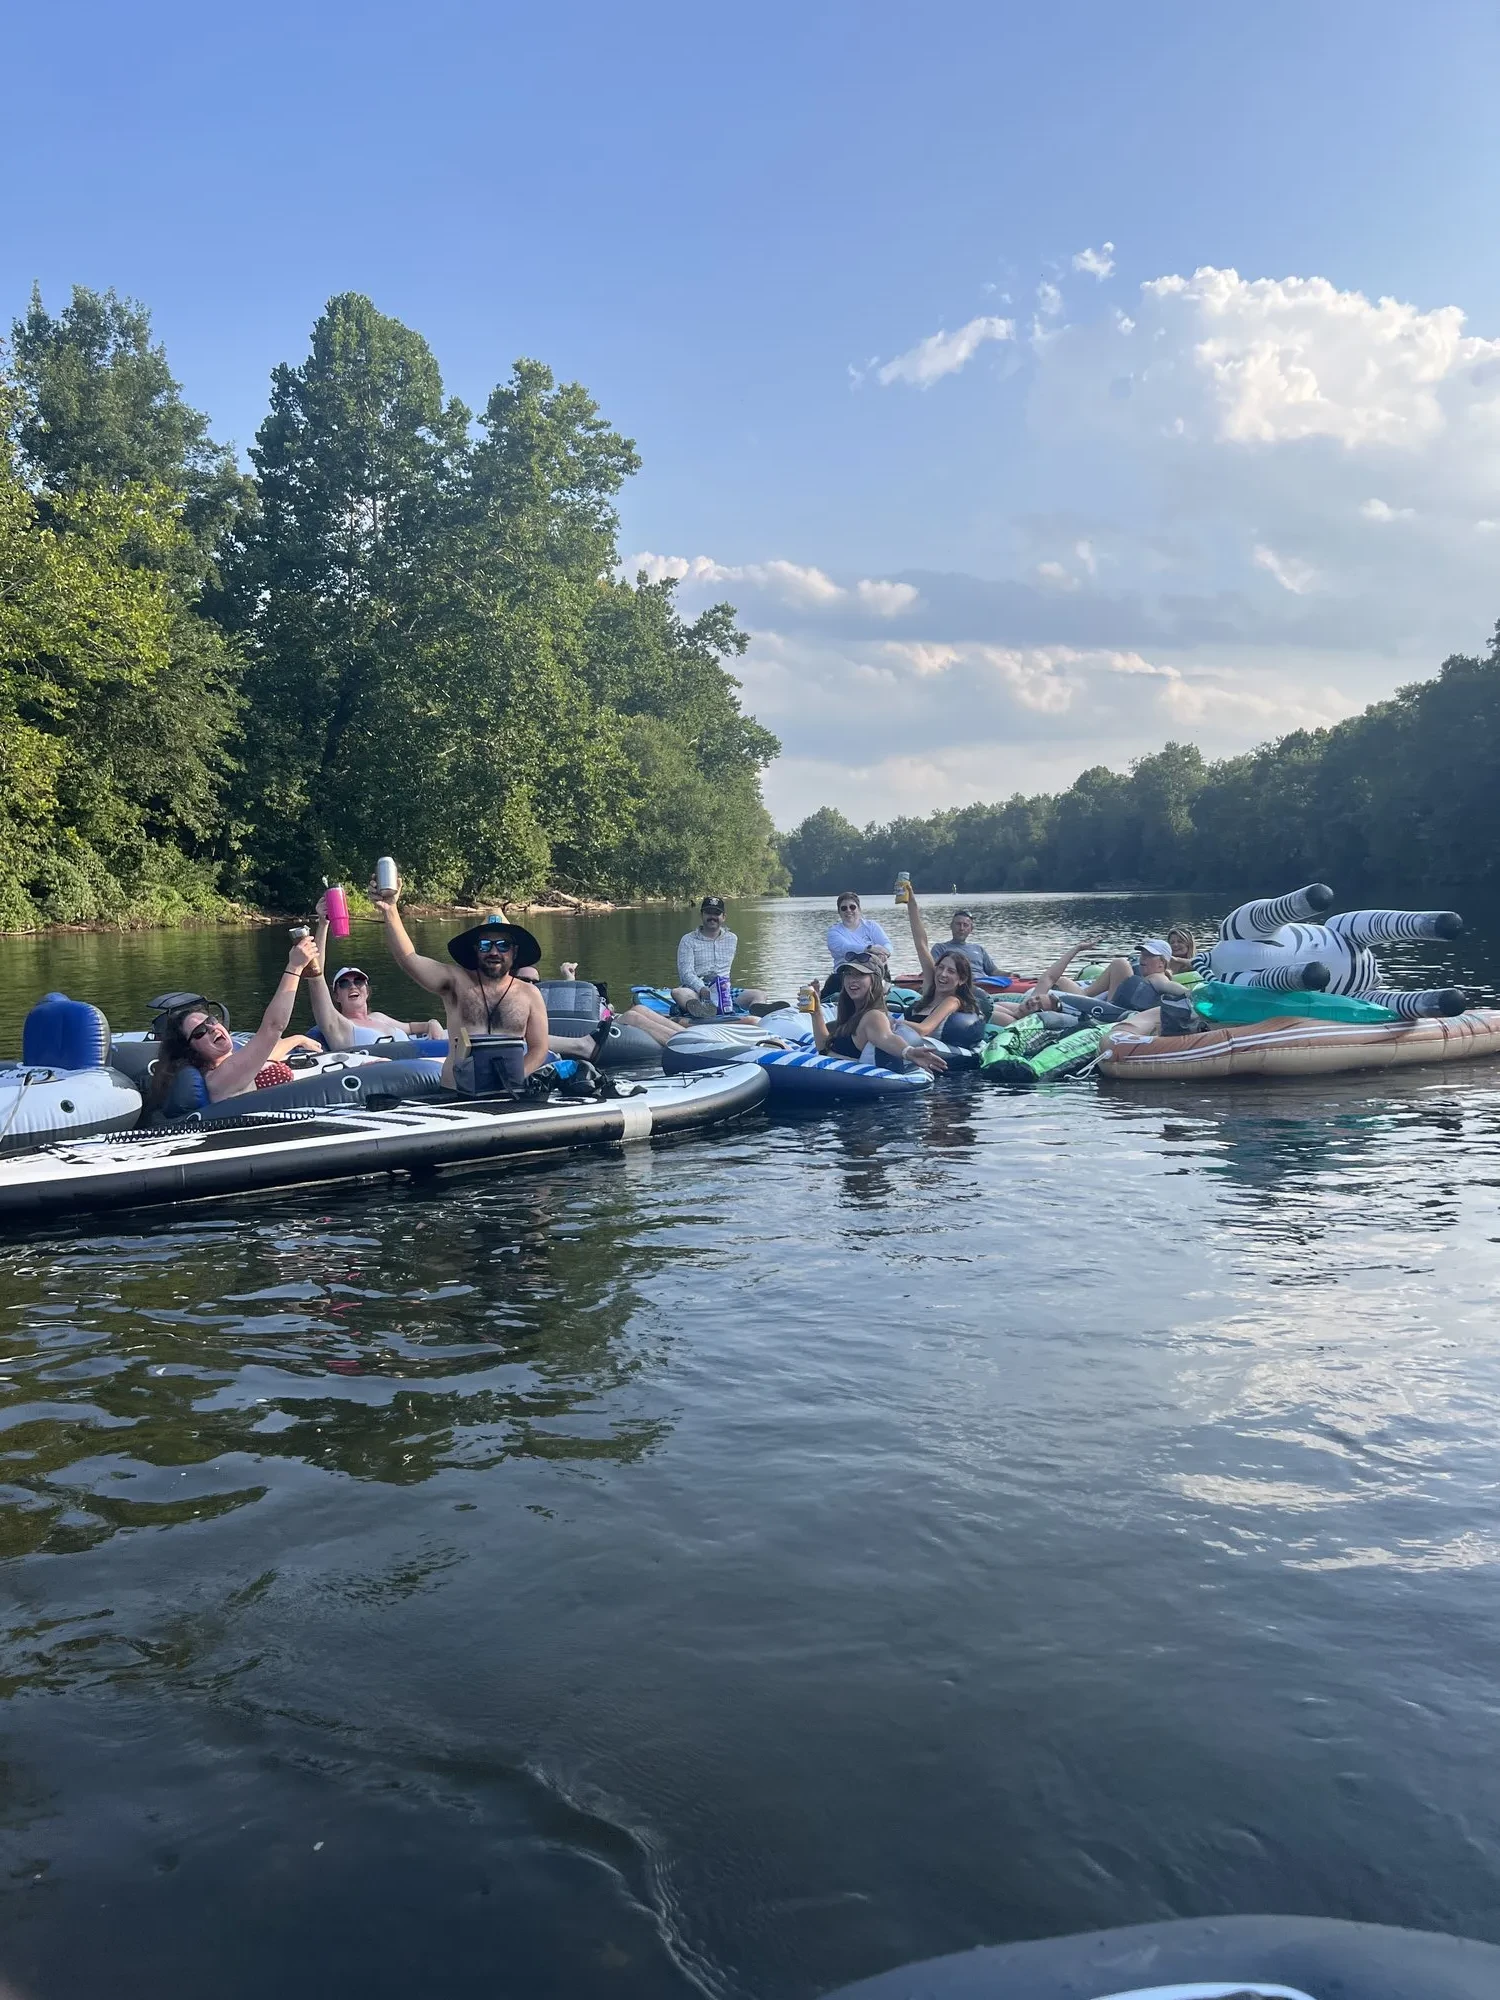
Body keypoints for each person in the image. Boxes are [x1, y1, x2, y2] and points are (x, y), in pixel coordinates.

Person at [369, 866, 550, 1082]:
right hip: (456, 1093)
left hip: (509, 1093)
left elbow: (539, 1048)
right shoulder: (455, 982)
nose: (494, 952)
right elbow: (409, 958)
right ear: (475, 950)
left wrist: (514, 1078)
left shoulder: (530, 994)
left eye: (502, 945)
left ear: (514, 951)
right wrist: (390, 910)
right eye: (485, 945)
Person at [147, 935, 323, 1109]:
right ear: (190, 1050)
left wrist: (297, 1039)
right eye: (200, 1031)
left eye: (211, 1020)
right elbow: (273, 1027)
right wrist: (294, 968)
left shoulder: (233, 1062)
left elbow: (267, 1053)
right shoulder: (220, 1078)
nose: (212, 1028)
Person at [308, 895, 445, 1048]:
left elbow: (412, 1028)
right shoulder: (338, 1025)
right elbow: (316, 976)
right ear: (336, 996)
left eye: (358, 981)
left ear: (367, 991)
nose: (353, 986)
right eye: (344, 984)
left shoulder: (379, 1018)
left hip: (412, 1065)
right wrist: (323, 923)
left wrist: (432, 1023)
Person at [805, 954, 946, 1073]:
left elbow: (886, 1037)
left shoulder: (873, 1016)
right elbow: (823, 1049)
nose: (852, 980)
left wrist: (908, 1052)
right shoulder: (853, 1013)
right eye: (848, 974)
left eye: (860, 975)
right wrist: (816, 1012)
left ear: (875, 981)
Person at [900, 888, 988, 1047]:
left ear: (961, 980)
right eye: (940, 967)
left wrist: (888, 1022)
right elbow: (921, 945)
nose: (942, 974)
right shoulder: (930, 988)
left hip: (930, 1052)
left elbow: (923, 1029)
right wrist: (911, 903)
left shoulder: (952, 1001)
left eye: (951, 971)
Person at [672, 896, 768, 1019]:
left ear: (723, 917)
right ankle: (702, 1011)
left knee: (759, 994)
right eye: (708, 913)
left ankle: (757, 1015)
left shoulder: (732, 938)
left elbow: (725, 972)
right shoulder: (688, 940)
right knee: (678, 992)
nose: (712, 917)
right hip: (696, 990)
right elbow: (685, 973)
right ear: (701, 915)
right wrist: (702, 988)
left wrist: (720, 990)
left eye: (717, 913)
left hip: (723, 991)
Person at [1050, 936, 1189, 1015]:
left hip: (1113, 1011)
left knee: (1120, 963)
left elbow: (1169, 986)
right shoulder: (1145, 977)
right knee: (1061, 980)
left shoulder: (1157, 977)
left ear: (1161, 963)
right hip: (1112, 1005)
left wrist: (1193, 995)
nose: (1142, 959)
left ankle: (1073, 993)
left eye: (1149, 956)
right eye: (1142, 954)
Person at [929, 906, 1003, 979]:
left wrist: (1011, 974)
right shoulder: (940, 948)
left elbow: (993, 971)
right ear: (951, 926)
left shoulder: (978, 949)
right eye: (958, 924)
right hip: (958, 984)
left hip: (984, 983)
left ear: (971, 929)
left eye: (965, 925)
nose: (961, 928)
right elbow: (932, 971)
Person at [825, 892, 893, 970]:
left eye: (852, 907)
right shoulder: (834, 932)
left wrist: (885, 953)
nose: (848, 910)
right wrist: (869, 949)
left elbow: (886, 944)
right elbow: (845, 948)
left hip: (873, 971)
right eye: (844, 908)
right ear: (839, 912)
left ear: (859, 909)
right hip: (844, 973)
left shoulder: (871, 926)